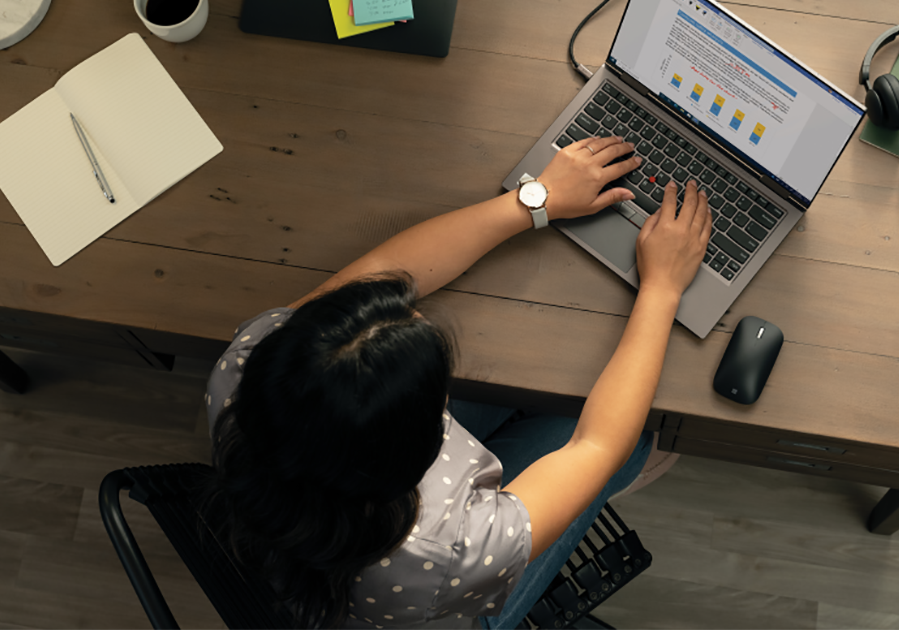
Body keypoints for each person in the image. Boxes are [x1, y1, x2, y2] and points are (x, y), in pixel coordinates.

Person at [201, 135, 711, 630]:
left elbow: (384, 271)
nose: (417, 311)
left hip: (323, 537)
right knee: (636, 441)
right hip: (444, 603)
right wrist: (663, 289)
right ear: (425, 442)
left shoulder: (250, 361)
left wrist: (533, 201)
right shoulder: (452, 551)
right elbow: (596, 444)